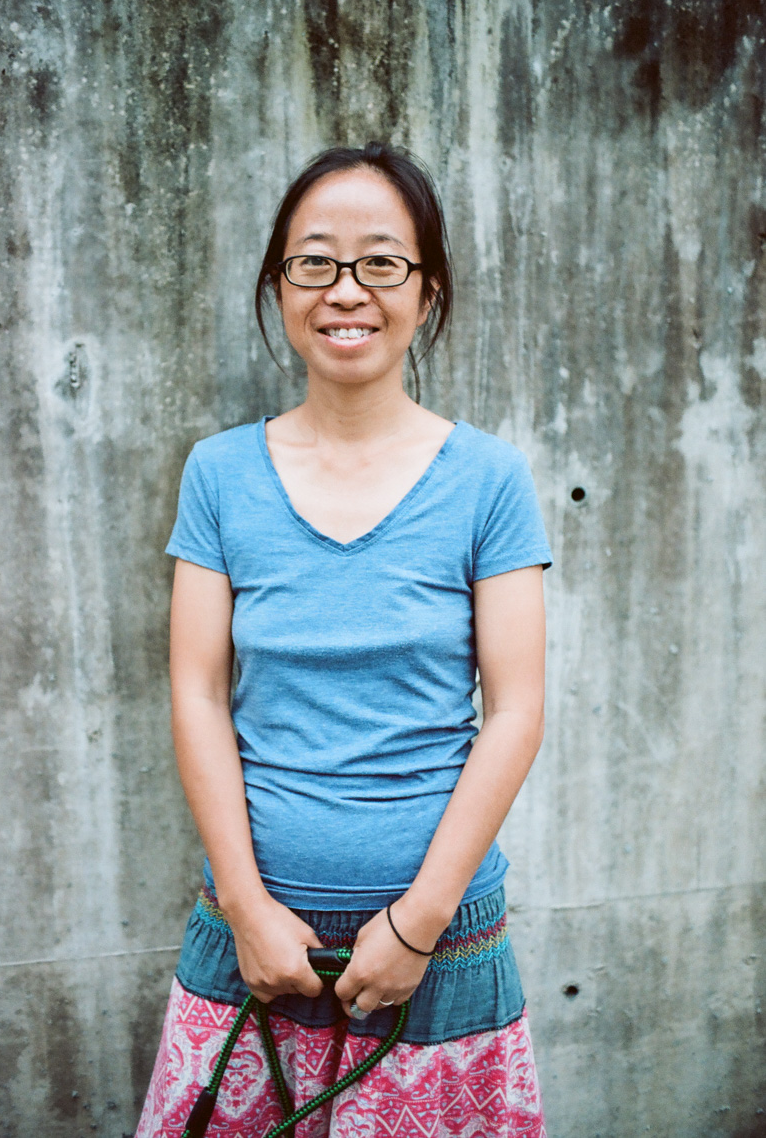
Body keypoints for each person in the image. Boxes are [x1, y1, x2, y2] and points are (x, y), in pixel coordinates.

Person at [136, 142, 552, 1137]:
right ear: (279, 284)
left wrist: (417, 924)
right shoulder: (219, 473)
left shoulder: (489, 479)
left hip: (440, 951)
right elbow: (197, 693)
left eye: (381, 260)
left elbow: (516, 708)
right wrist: (247, 909)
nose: (345, 289)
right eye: (314, 260)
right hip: (251, 944)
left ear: (427, 288)